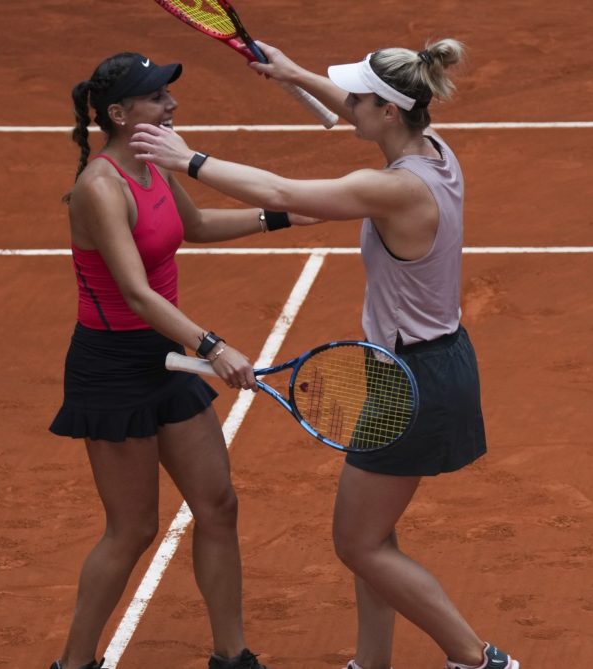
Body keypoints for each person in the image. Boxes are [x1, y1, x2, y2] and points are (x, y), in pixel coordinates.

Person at [130, 39, 519, 669]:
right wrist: (292, 74)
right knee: (375, 536)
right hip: (427, 365)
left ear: (388, 111)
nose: (350, 107)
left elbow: (281, 191)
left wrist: (186, 159)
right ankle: (371, 663)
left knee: (358, 544)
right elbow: (363, 109)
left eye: (360, 99)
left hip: (412, 380)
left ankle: (478, 660)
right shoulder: (434, 150)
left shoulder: (390, 189)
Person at [48, 51, 291, 669]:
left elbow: (199, 225)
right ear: (120, 113)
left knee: (218, 504)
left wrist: (286, 214)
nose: (172, 105)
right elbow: (136, 292)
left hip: (163, 355)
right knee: (132, 530)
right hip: (112, 368)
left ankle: (232, 656)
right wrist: (213, 346)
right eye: (158, 97)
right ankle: (73, 664)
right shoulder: (100, 188)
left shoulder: (155, 166)